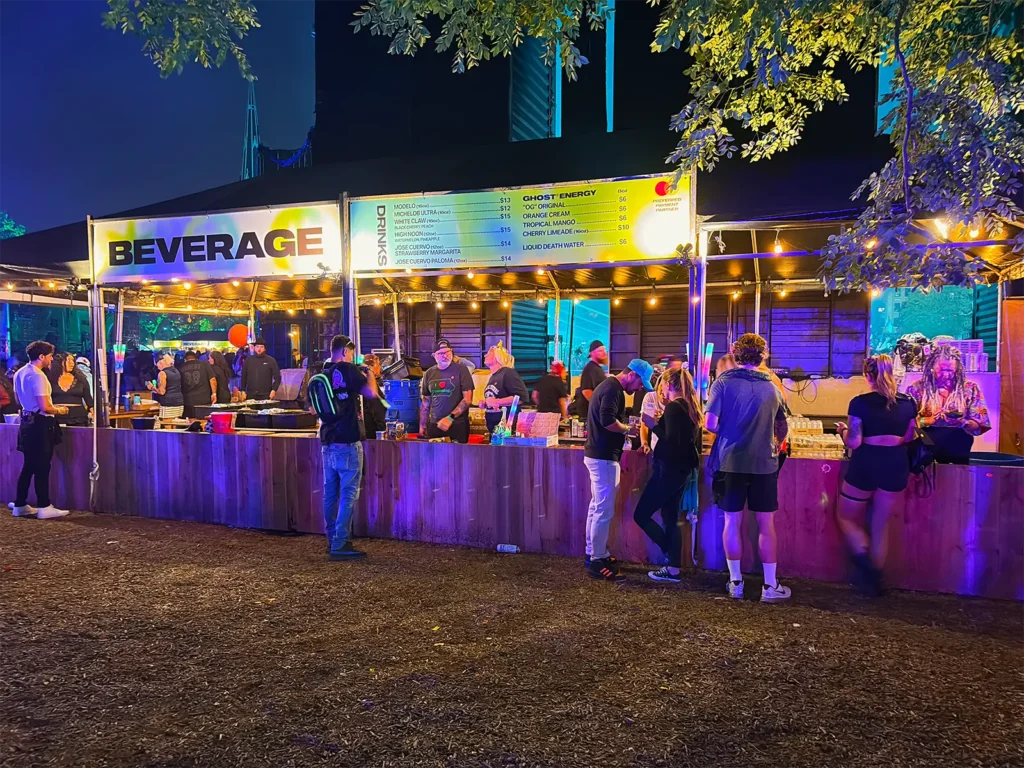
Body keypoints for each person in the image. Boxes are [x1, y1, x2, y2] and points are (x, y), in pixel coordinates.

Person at [705, 333, 791, 603]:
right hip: (764, 463)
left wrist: (728, 431)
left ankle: (736, 582)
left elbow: (709, 423)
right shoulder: (773, 387)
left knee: (732, 521)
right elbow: (782, 427)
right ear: (763, 356)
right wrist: (773, 442)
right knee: (766, 524)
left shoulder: (722, 383)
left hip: (730, 461)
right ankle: (769, 586)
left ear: (734, 352)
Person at [835, 355, 918, 596]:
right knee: (881, 525)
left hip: (866, 462)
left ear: (867, 376)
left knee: (846, 517)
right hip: (895, 463)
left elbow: (855, 441)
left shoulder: (859, 403)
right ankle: (876, 582)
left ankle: (865, 565)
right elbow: (911, 436)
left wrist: (843, 431)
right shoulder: (908, 402)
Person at [583, 359, 655, 581]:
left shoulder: (607, 385)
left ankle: (594, 553)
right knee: (603, 510)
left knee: (597, 507)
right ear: (631, 374)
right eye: (640, 382)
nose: (640, 388)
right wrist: (628, 429)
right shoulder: (614, 389)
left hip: (596, 454)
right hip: (604, 456)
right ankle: (597, 559)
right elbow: (607, 420)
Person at [634, 367, 703, 582]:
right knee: (670, 517)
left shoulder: (674, 407)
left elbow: (671, 442)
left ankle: (669, 552)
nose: (661, 388)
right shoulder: (690, 406)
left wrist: (653, 425)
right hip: (681, 472)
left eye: (662, 383)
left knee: (641, 515)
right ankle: (672, 568)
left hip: (667, 471)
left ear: (668, 384)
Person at [318, 334, 381, 560]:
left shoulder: (322, 372)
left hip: (327, 439)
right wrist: (371, 372)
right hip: (347, 440)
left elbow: (313, 409)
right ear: (345, 351)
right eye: (351, 352)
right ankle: (341, 543)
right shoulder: (348, 370)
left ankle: (330, 539)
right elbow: (372, 393)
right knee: (348, 494)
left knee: (330, 492)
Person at [11, 341, 70, 519]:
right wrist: (59, 409)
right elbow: (45, 406)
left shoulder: (20, 373)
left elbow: (17, 399)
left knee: (29, 465)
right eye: (51, 356)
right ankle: (44, 505)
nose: (52, 359)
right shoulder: (38, 376)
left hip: (26, 422)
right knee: (43, 465)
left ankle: (20, 504)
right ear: (42, 356)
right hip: (40, 424)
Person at [906, 345, 991, 463]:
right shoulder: (917, 389)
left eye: (950, 371)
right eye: (941, 370)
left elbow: (980, 424)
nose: (946, 375)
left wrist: (963, 423)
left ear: (957, 369)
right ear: (931, 367)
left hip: (958, 445)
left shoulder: (969, 389)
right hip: (924, 446)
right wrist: (927, 421)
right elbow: (906, 423)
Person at [419, 339, 475, 443]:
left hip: (457, 425)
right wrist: (422, 425)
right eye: (440, 353)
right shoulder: (428, 373)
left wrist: (450, 418)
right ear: (434, 355)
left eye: (447, 352)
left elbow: (467, 399)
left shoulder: (461, 370)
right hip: (435, 425)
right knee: (435, 458)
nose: (445, 356)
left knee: (457, 458)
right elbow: (426, 402)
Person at [481, 342, 529, 434]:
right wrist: (486, 403)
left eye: (490, 353)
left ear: (498, 356)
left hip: (507, 428)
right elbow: (495, 398)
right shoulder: (492, 376)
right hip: (494, 427)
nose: (485, 355)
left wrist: (497, 402)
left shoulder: (508, 372)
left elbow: (520, 398)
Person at [47, 352, 94, 426]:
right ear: (60, 362)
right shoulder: (50, 378)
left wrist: (93, 413)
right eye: (68, 360)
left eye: (73, 361)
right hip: (56, 417)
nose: (72, 363)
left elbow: (89, 399)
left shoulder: (81, 379)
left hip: (78, 418)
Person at [573, 340, 608, 421]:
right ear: (592, 353)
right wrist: (599, 407)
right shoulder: (590, 368)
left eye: (604, 350)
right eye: (600, 351)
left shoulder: (598, 368)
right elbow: (586, 391)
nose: (604, 353)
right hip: (589, 414)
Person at [146, 353, 185, 422]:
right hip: (179, 402)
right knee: (175, 425)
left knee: (167, 427)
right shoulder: (176, 371)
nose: (157, 367)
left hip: (168, 404)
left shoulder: (162, 373)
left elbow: (162, 392)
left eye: (157, 365)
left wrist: (152, 387)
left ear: (161, 363)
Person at [179, 350, 218, 417]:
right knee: (204, 421)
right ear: (196, 358)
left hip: (188, 400)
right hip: (204, 399)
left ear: (185, 360)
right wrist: (214, 393)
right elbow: (213, 380)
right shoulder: (205, 364)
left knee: (190, 423)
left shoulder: (181, 368)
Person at [241, 337, 281, 401]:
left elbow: (277, 377)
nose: (259, 349)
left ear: (265, 349)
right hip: (250, 395)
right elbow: (243, 376)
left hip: (266, 395)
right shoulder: (248, 360)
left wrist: (274, 390)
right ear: (254, 348)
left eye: (261, 347)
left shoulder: (271, 360)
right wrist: (242, 390)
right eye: (257, 347)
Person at [361, 352, 388, 439]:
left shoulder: (359, 383)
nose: (380, 368)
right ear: (371, 367)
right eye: (378, 365)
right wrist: (382, 431)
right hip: (372, 434)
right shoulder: (370, 385)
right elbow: (377, 409)